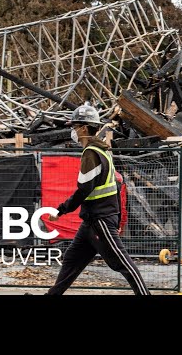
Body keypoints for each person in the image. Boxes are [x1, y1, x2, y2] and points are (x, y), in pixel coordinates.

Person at [46, 104, 150, 295]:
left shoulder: (91, 153)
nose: (73, 131)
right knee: (71, 260)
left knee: (122, 263)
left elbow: (84, 189)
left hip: (100, 219)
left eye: (75, 127)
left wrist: (61, 210)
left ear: (84, 128)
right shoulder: (102, 151)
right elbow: (115, 186)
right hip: (92, 220)